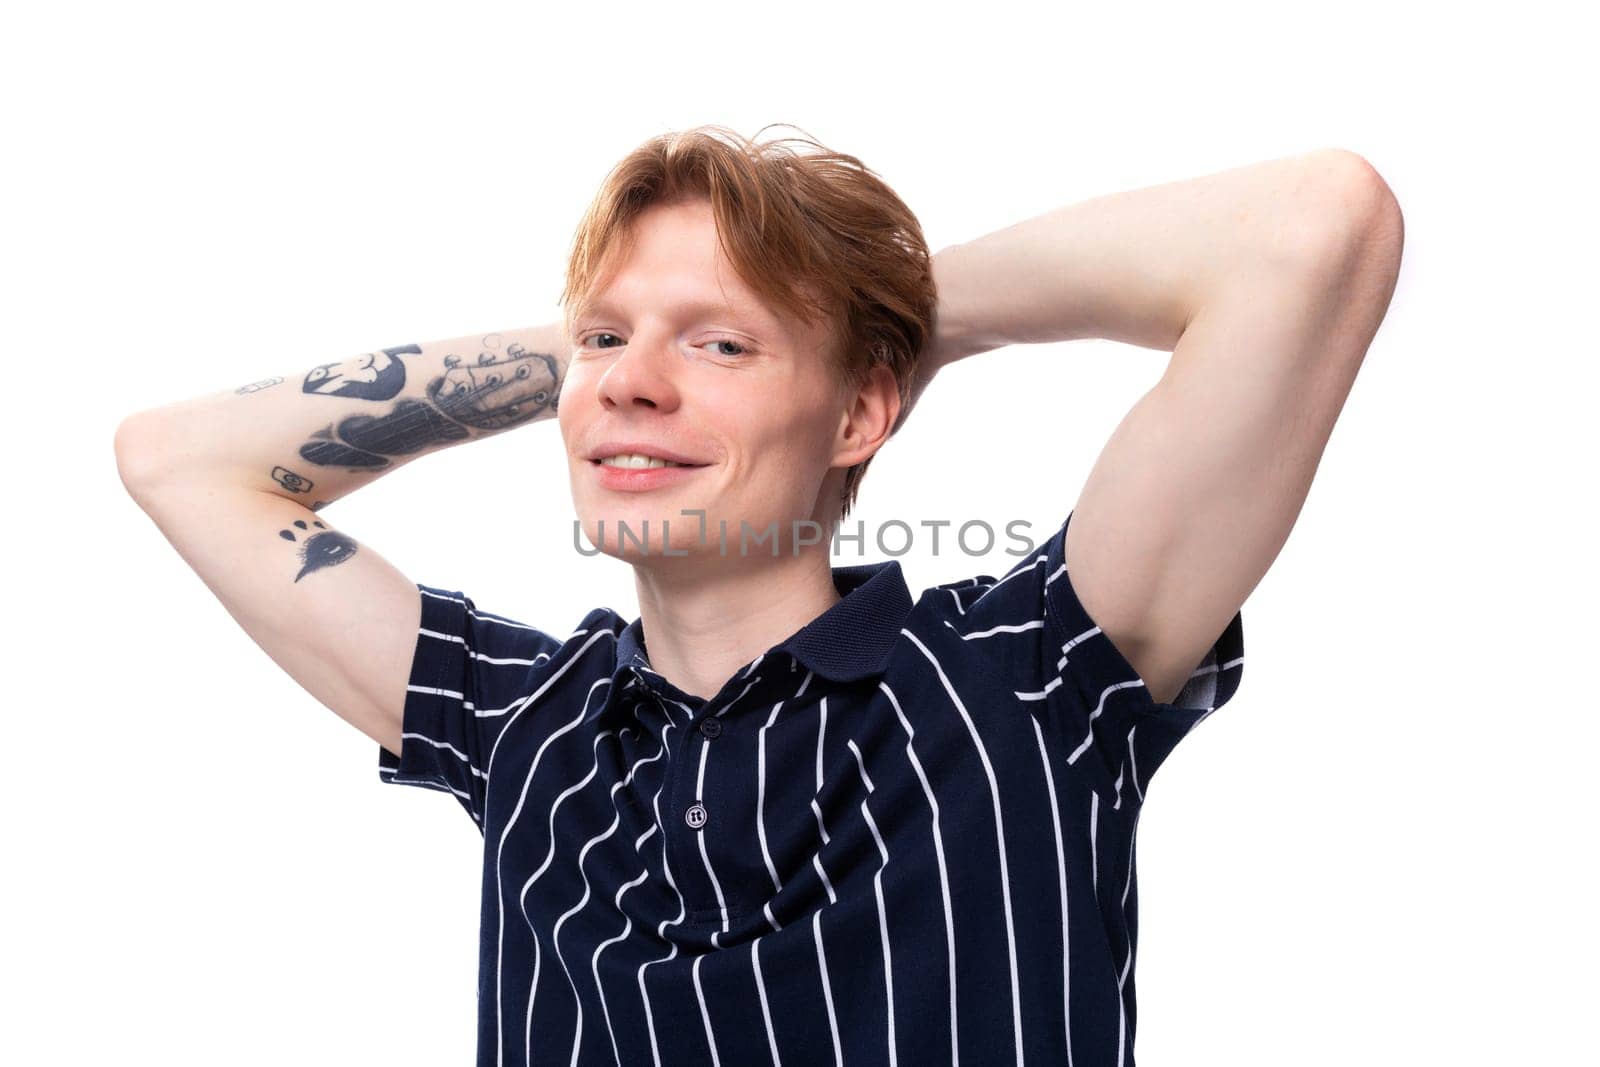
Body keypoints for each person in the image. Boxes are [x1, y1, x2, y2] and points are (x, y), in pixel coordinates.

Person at [114, 125, 1401, 1066]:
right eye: (606, 340)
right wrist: (626, 345)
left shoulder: (1027, 682)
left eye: (723, 342)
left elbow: (1317, 226)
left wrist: (894, 318)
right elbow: (180, 460)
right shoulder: (530, 731)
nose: (628, 383)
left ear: (856, 410)